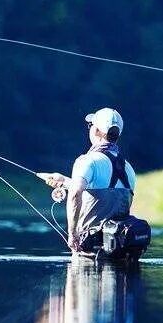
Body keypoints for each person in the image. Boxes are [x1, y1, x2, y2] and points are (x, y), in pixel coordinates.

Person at [37, 107, 137, 253]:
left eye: (90, 125)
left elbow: (76, 193)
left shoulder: (87, 161)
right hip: (121, 252)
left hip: (90, 251)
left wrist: (72, 235)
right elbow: (103, 188)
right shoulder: (129, 169)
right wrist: (64, 181)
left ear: (96, 130)